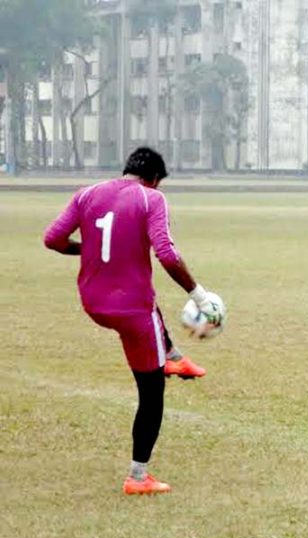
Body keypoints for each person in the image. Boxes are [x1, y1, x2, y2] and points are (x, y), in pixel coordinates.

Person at [43, 147, 224, 495]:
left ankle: (174, 357)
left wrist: (87, 248)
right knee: (152, 392)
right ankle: (138, 478)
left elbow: (53, 239)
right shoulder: (151, 199)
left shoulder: (87, 194)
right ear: (154, 179)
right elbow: (167, 254)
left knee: (150, 306)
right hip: (133, 312)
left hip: (93, 304)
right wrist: (199, 295)